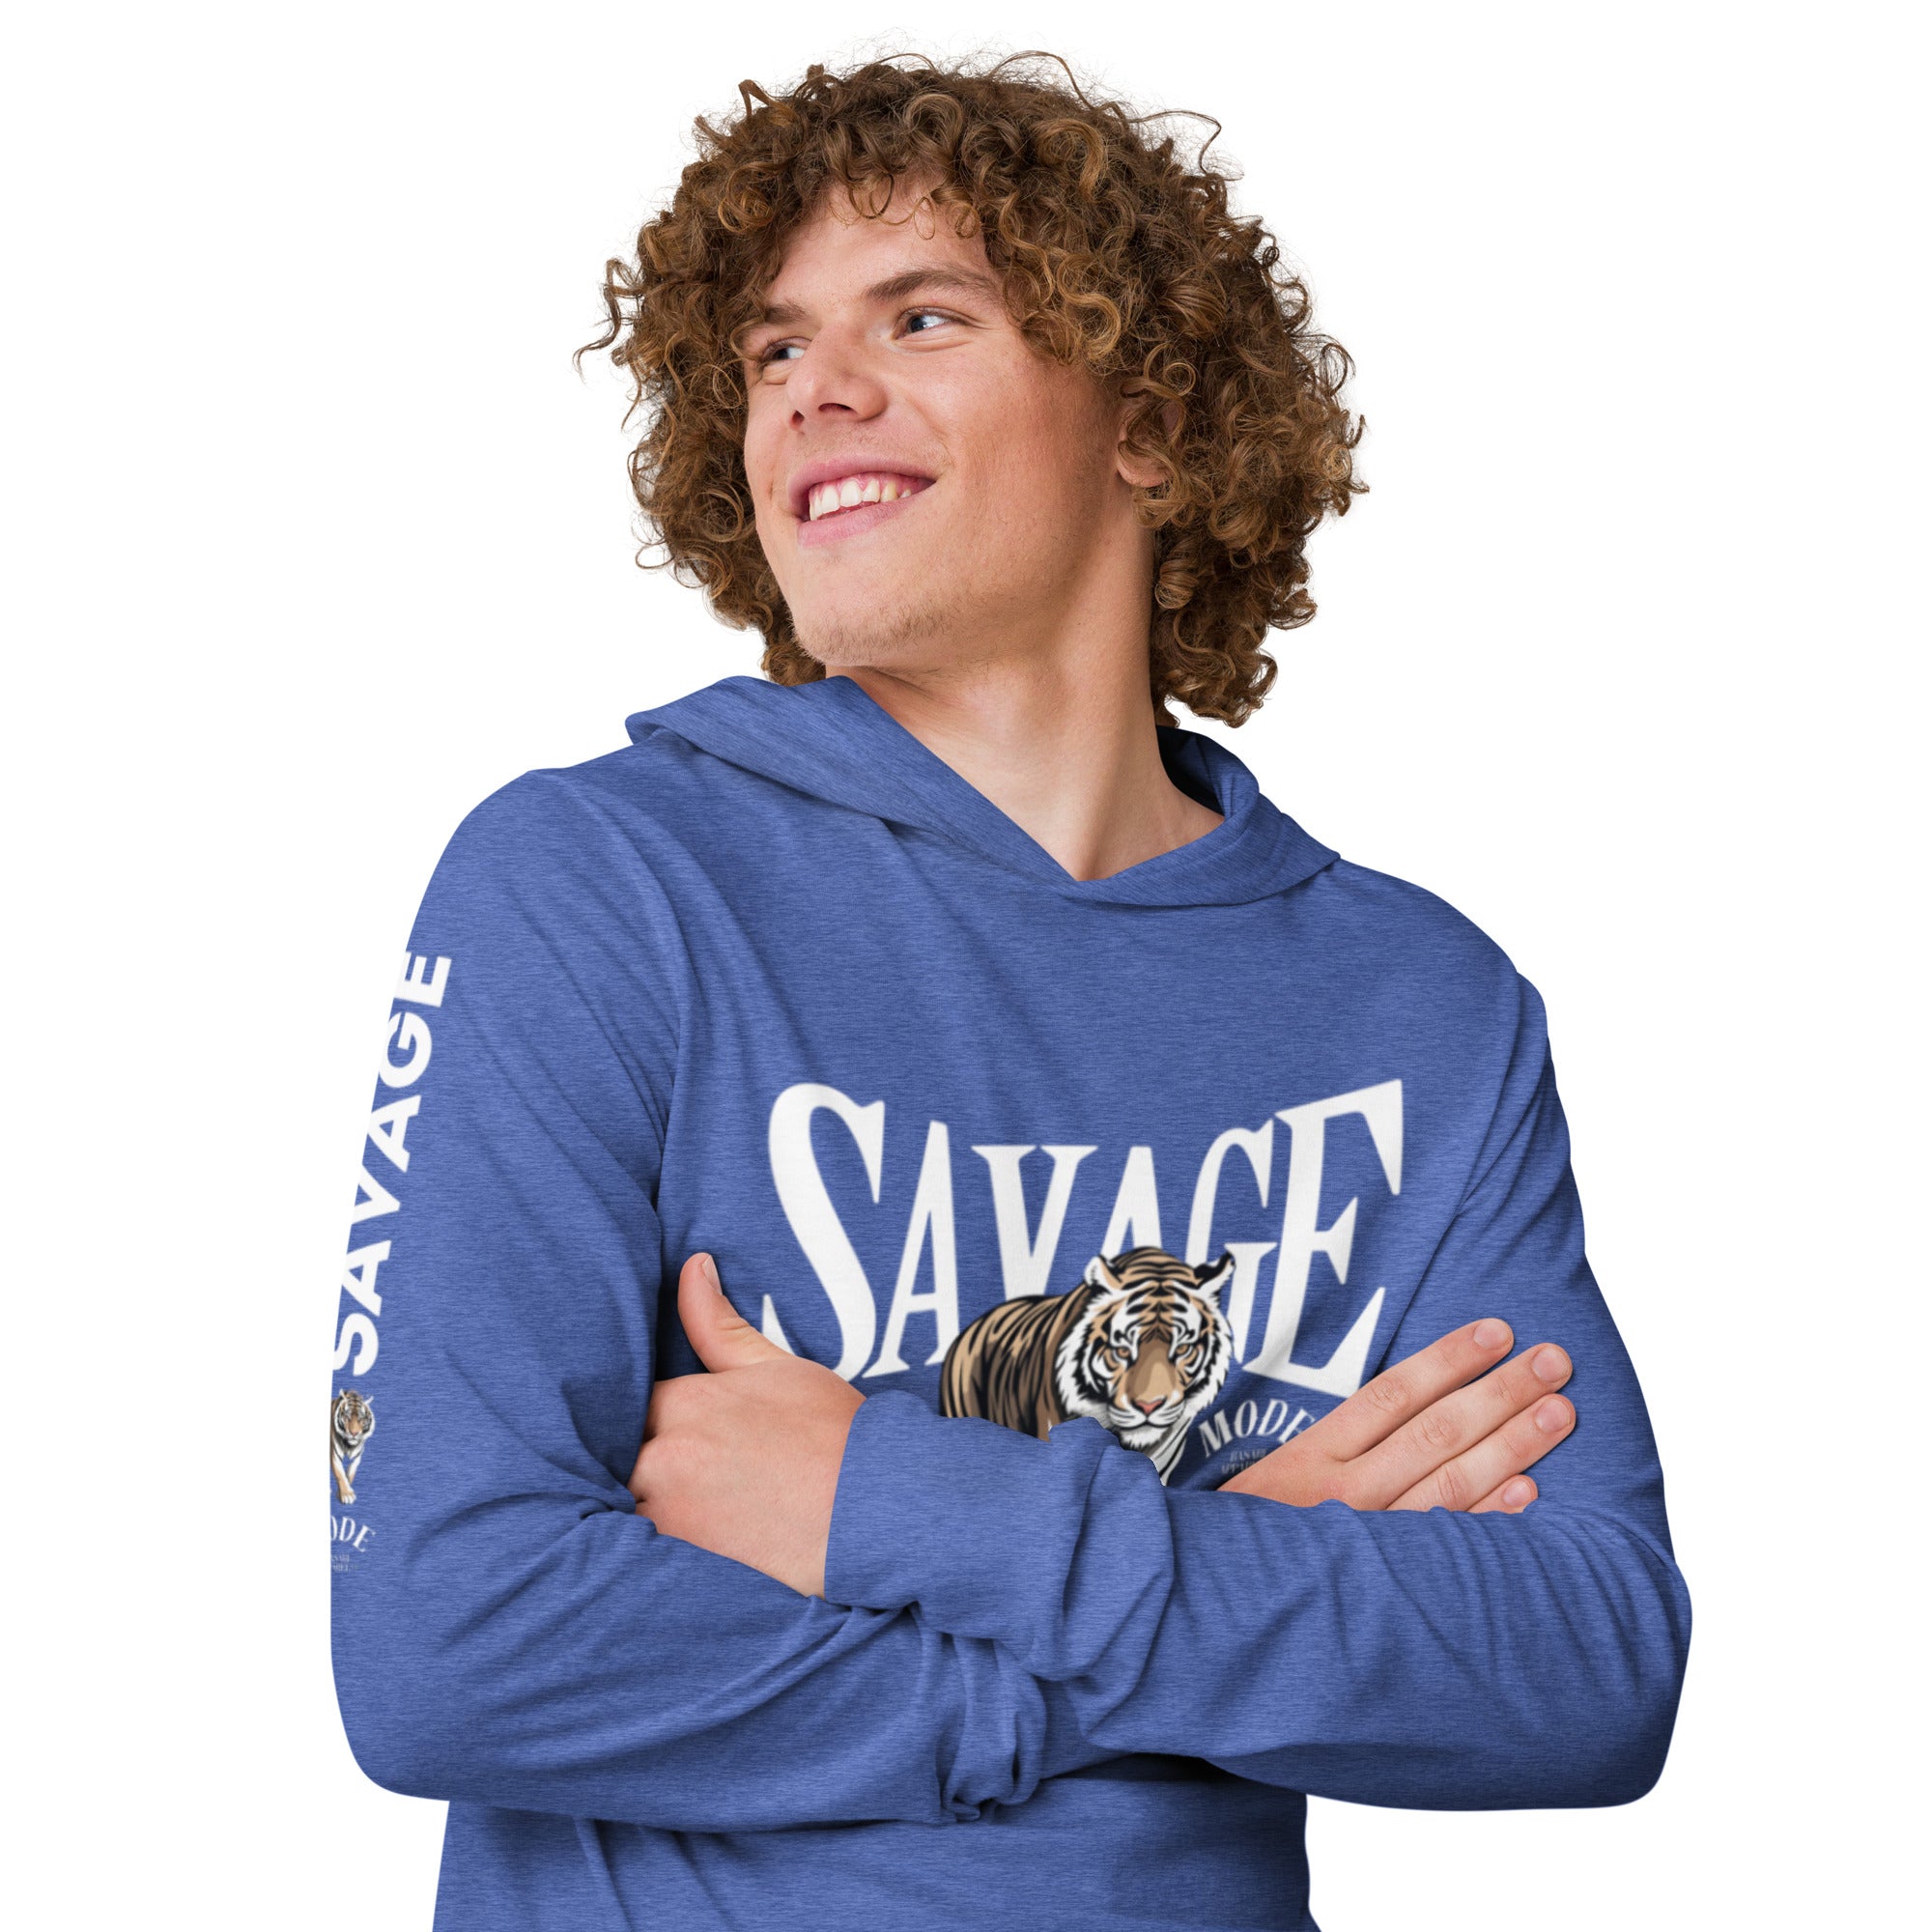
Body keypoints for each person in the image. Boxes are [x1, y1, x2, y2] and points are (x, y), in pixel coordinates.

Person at [328, 52, 1690, 1932]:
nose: (815, 386)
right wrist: (1217, 1586)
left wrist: (888, 1502)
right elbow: (451, 1646)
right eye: (772, 348)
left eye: (919, 316)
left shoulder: (1416, 1005)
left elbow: (1588, 1661)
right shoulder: (600, 890)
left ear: (1152, 421)